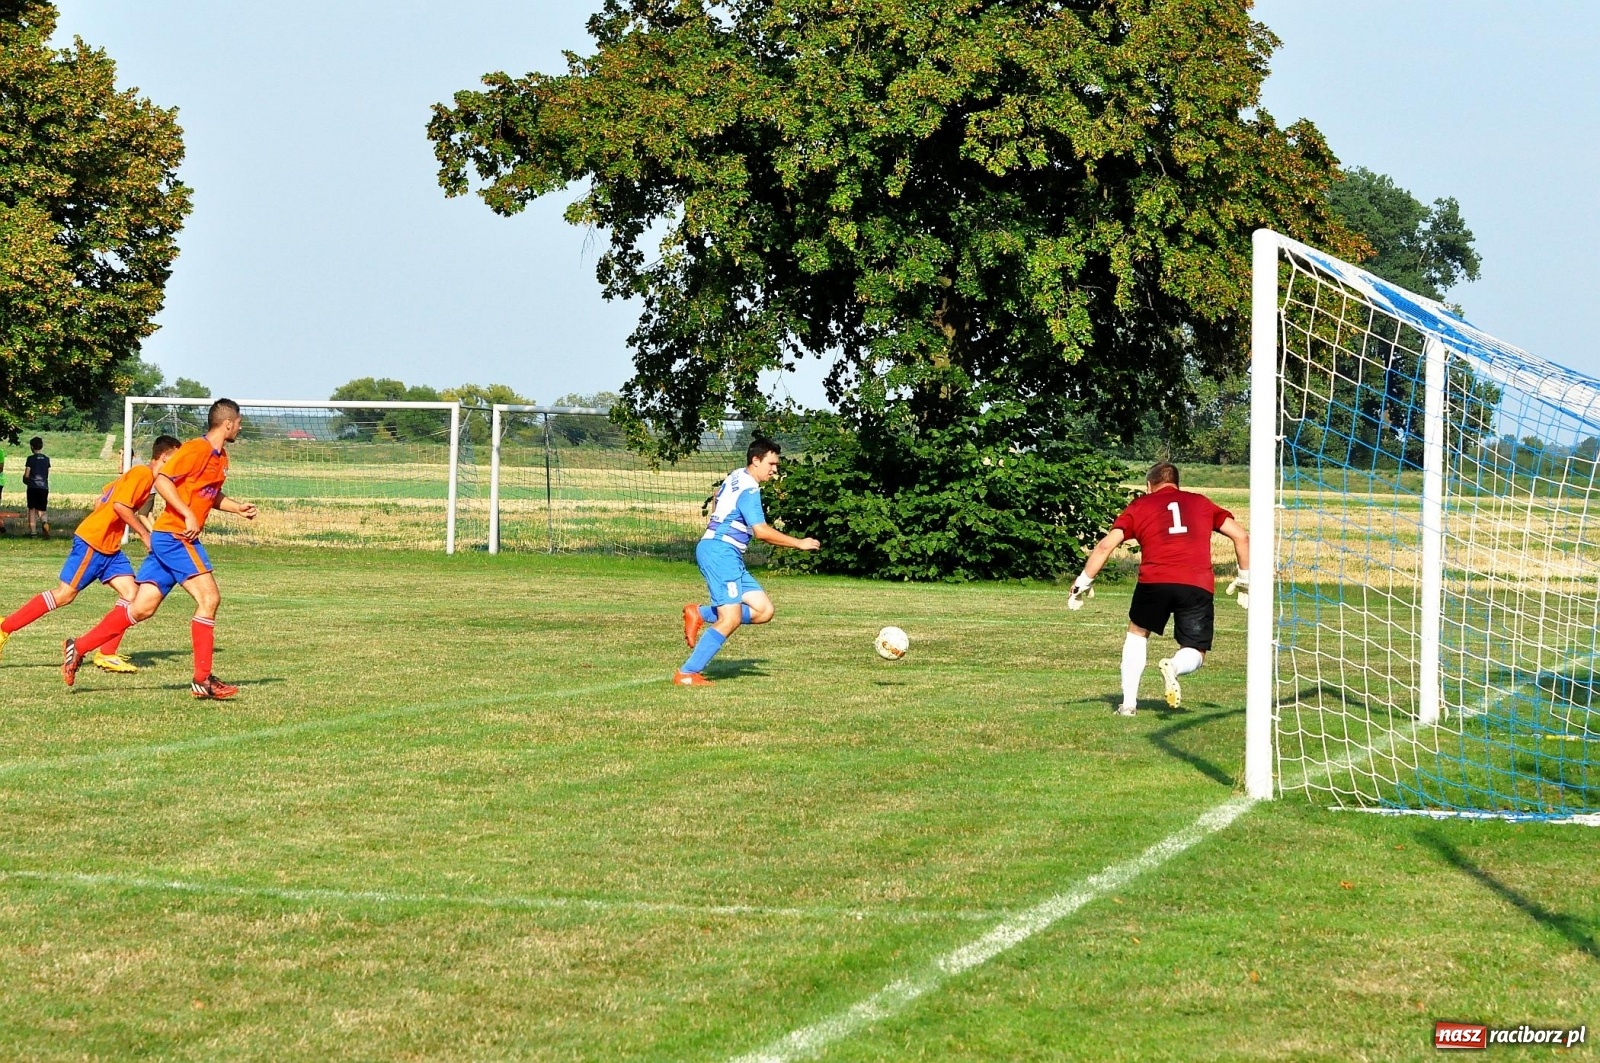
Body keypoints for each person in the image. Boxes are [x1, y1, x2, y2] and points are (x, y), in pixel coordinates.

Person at [63, 399, 258, 699]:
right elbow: (164, 480)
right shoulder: (196, 449)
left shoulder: (220, 458)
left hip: (170, 538)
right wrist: (188, 513)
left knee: (141, 608)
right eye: (239, 422)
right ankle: (202, 679)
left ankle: (79, 647)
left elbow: (211, 495)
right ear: (228, 423)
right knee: (209, 598)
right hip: (176, 536)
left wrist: (237, 508)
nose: (241, 427)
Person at [1069, 461, 1250, 715]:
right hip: (1196, 585)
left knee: (1137, 633)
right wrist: (1245, 578)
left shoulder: (1140, 505)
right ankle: (1174, 666)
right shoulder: (1201, 502)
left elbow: (1105, 546)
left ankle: (1129, 704)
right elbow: (1241, 536)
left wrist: (1082, 582)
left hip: (1155, 581)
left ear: (1148, 485)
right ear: (1178, 483)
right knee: (1196, 650)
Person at [0, 436, 181, 672]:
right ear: (165, 456)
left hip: (109, 547)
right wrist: (145, 535)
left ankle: (106, 653)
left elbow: (101, 500)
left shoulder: (142, 477)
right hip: (93, 543)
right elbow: (120, 506)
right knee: (64, 595)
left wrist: (110, 528)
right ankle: (5, 627)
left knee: (133, 595)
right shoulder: (142, 475)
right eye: (179, 457)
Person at [674, 437, 820, 685]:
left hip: (726, 552)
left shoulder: (735, 476)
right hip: (721, 552)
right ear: (756, 460)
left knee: (764, 611)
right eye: (772, 463)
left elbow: (716, 497)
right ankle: (687, 673)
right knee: (729, 619)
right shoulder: (750, 489)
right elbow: (761, 532)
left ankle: (698, 613)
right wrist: (799, 543)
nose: (775, 469)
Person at [24, 436, 50, 538]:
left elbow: (27, 474)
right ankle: (44, 522)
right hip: (44, 486)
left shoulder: (30, 459)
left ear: (31, 447)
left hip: (33, 486)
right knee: (42, 509)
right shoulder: (46, 459)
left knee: (32, 509)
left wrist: (26, 480)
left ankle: (33, 533)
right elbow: (47, 474)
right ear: (41, 446)